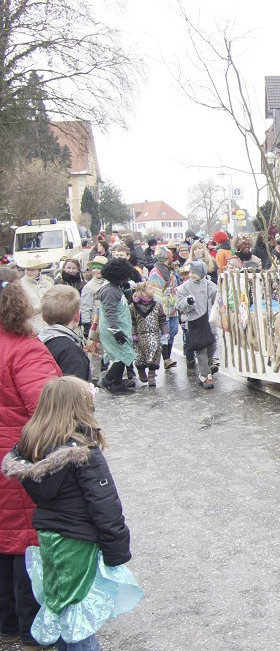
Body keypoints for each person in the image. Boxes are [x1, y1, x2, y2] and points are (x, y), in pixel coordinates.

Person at [2, 376, 142, 651]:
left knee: (62, 605)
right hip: (79, 542)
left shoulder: (32, 447)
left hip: (50, 538)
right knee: (80, 616)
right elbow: (105, 505)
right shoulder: (84, 453)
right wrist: (117, 549)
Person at [0, 279, 60, 650]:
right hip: (19, 462)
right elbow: (50, 413)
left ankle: (7, 628)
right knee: (26, 546)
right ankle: (31, 634)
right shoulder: (25, 350)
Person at [96, 259, 136, 395]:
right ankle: (107, 381)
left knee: (121, 355)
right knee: (124, 354)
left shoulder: (115, 287)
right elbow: (110, 312)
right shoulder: (110, 291)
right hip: (114, 329)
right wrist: (115, 330)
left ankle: (118, 383)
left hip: (118, 328)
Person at [176, 261, 218, 389]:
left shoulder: (210, 285)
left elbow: (217, 300)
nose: (192, 275)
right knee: (201, 348)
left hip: (209, 320)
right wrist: (187, 302)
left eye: (194, 273)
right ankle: (206, 376)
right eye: (191, 272)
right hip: (195, 320)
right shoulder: (185, 286)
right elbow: (178, 303)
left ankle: (204, 369)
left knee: (212, 346)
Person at [38, 285, 90, 381]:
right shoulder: (72, 352)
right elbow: (74, 393)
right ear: (77, 315)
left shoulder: (36, 342)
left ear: (43, 316)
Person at [146, 247, 180, 370]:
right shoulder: (156, 272)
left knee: (172, 332)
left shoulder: (170, 270)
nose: (172, 257)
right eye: (170, 255)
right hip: (163, 308)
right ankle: (166, 359)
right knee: (164, 334)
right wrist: (158, 310)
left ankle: (168, 357)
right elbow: (155, 293)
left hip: (173, 306)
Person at [129, 282, 167, 387]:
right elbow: (132, 322)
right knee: (140, 356)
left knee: (155, 352)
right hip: (140, 335)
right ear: (144, 293)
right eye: (150, 289)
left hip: (154, 334)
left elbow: (162, 319)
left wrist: (165, 331)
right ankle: (141, 369)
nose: (153, 290)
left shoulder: (157, 305)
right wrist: (133, 333)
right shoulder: (133, 307)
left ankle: (151, 375)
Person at [19, 261, 53, 333]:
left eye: (33, 270)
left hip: (49, 324)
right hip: (31, 326)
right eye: (27, 270)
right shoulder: (20, 285)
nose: (29, 272)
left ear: (39, 270)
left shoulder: (47, 284)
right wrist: (41, 307)